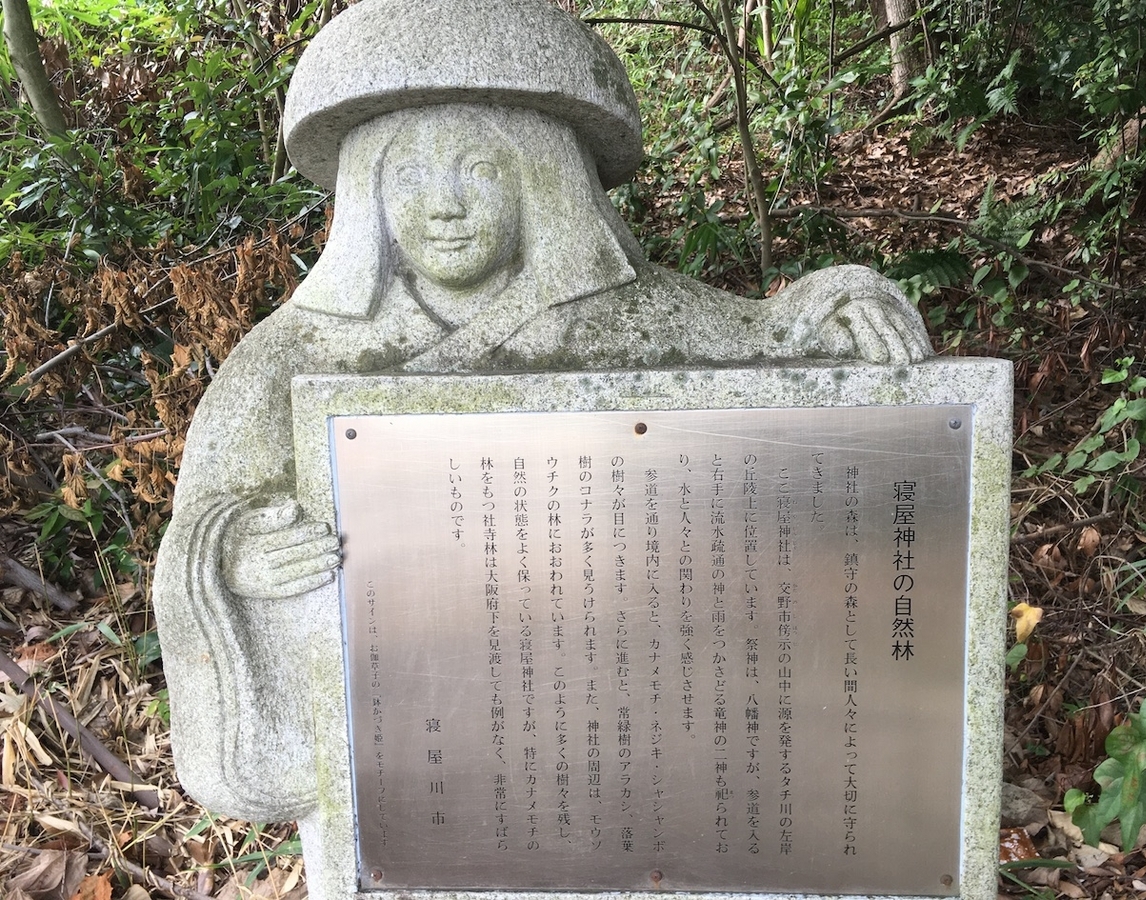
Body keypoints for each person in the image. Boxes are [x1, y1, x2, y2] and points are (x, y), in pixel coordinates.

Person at [154, 0, 933, 823]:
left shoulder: (629, 317)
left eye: (480, 170)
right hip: (428, 763)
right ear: (369, 189)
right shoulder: (294, 354)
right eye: (410, 175)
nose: (443, 205)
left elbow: (769, 335)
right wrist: (231, 553)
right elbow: (203, 520)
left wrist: (841, 299)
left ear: (540, 176)